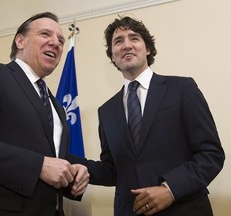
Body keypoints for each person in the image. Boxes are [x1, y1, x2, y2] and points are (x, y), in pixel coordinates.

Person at [0, 12, 89, 216]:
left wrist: (73, 174)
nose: (56, 43)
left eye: (61, 40)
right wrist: (38, 166)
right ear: (20, 40)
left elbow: (50, 160)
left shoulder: (55, 105)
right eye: (45, 34)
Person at [80, 16, 225, 216]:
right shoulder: (106, 111)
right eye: (118, 41)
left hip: (184, 209)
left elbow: (211, 154)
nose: (126, 45)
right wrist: (64, 159)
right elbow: (113, 170)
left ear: (147, 48)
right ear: (112, 56)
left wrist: (170, 189)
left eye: (134, 38)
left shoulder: (182, 89)